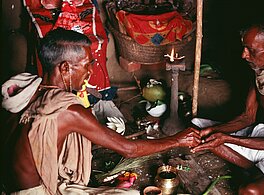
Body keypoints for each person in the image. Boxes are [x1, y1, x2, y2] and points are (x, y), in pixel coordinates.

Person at [0, 28, 201, 195]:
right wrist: (178, 140)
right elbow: (129, 149)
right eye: (87, 65)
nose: (90, 72)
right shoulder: (68, 110)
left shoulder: (28, 90)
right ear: (64, 69)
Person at [190, 23, 264, 195]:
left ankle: (257, 171)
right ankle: (256, 168)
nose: (244, 55)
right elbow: (247, 117)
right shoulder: (260, 72)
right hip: (262, 137)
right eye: (244, 49)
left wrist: (227, 138)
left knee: (249, 191)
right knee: (198, 131)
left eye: (251, 50)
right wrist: (214, 130)